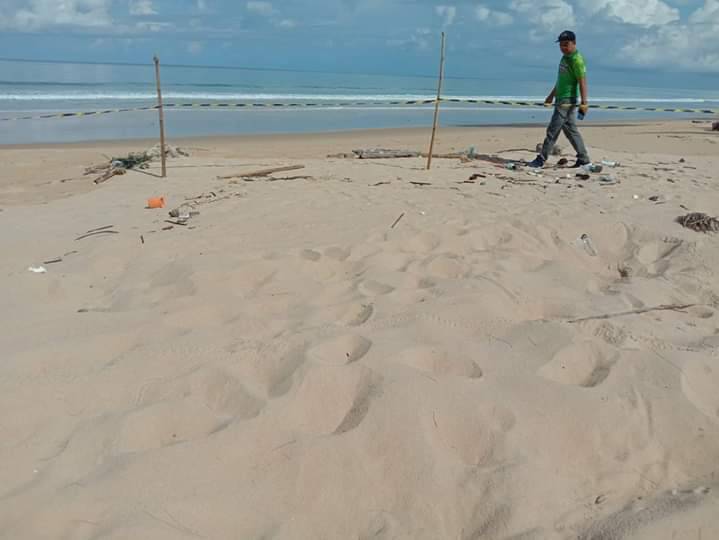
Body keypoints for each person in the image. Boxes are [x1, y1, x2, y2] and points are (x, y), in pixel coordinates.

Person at [528, 30, 591, 168]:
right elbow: (561, 80)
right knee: (570, 131)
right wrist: (551, 96)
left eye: (566, 44)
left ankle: (541, 159)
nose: (563, 48)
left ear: (574, 43)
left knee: (553, 130)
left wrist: (584, 103)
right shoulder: (564, 58)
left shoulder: (577, 60)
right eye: (561, 45)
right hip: (560, 98)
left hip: (567, 100)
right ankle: (584, 158)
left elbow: (582, 82)